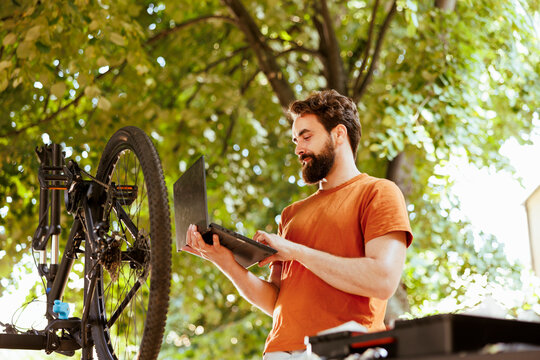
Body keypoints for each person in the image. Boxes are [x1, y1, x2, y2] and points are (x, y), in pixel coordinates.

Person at [185, 89, 413, 359]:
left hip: (341, 350)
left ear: (339, 134)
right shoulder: (291, 214)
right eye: (295, 140)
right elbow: (276, 301)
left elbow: (383, 279)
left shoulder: (378, 192)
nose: (298, 149)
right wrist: (224, 261)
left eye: (306, 136)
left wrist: (295, 251)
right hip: (279, 352)